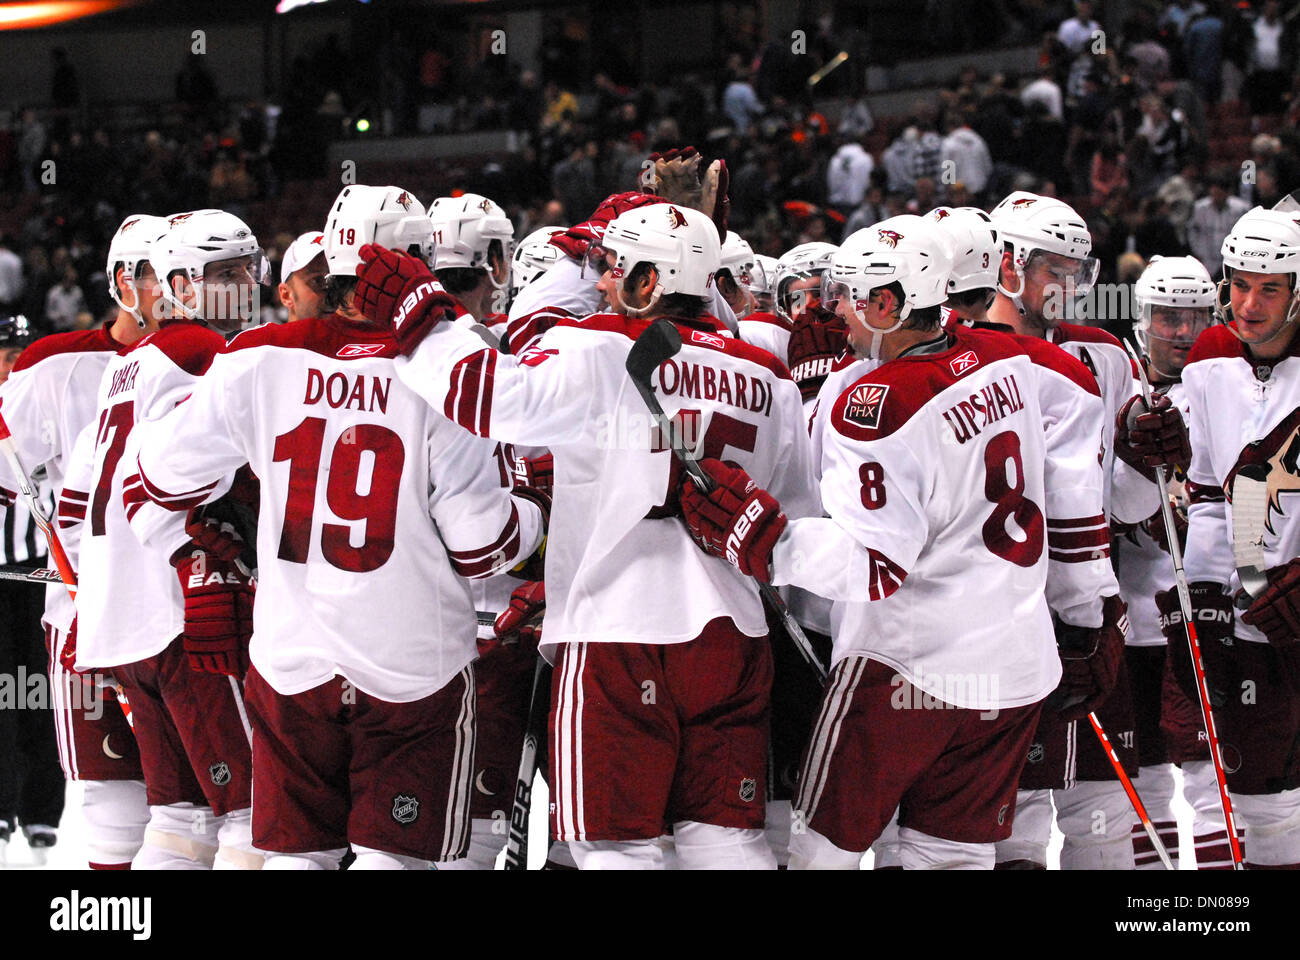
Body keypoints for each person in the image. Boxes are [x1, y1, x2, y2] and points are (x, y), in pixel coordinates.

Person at [355, 201, 818, 868]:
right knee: (727, 843)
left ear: (648, 282)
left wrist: (420, 312)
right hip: (734, 640)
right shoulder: (767, 376)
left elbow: (480, 395)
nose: (600, 283)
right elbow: (793, 527)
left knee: (614, 851)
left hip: (616, 638)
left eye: (611, 270)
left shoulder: (597, 348)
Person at [674, 215, 1124, 869]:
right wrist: (1090, 610)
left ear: (886, 303)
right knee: (951, 858)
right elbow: (1076, 452)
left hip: (904, 668)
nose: (836, 315)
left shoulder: (876, 399)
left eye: (848, 297)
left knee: (820, 854)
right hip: (1011, 669)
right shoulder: (1012, 360)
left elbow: (875, 566)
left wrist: (764, 540)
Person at [132, 185, 545, 870]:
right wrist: (535, 513)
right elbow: (485, 548)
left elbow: (160, 477)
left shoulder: (258, 355)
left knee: (298, 858)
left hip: (292, 655)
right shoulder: (450, 368)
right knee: (396, 859)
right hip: (411, 665)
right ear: (421, 266)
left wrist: (226, 508)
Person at [63, 209, 267, 870]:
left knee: (179, 820)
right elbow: (186, 475)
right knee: (252, 814)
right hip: (184, 611)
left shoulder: (125, 367)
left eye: (246, 268)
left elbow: (77, 501)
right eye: (223, 273)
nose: (241, 284)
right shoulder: (204, 353)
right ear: (180, 282)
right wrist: (203, 547)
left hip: (124, 620)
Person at [984, 191, 1171, 869]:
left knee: (1105, 816)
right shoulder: (961, 352)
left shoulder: (1105, 353)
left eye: (1078, 270)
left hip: (1092, 610)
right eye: (1053, 269)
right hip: (1000, 619)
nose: (1071, 286)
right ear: (1006, 264)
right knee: (1014, 820)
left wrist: (1143, 458)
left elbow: (1121, 504)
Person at [0, 215, 167, 871]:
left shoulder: (226, 361)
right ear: (126, 281)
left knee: (207, 811)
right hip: (81, 614)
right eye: (172, 275)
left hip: (190, 618)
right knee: (112, 808)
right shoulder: (53, 366)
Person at [1160, 207, 1300, 868]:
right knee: (1261, 797)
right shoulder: (1210, 358)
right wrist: (1206, 600)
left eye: (1269, 287)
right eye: (1240, 284)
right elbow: (1213, 498)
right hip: (1254, 626)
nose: (1248, 303)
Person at [1115, 255, 1231, 869]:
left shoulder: (1228, 390)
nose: (1182, 331)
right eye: (1168, 317)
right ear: (1143, 319)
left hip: (1204, 618)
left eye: (1195, 316)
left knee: (1214, 782)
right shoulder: (1116, 386)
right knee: (1142, 784)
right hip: (1130, 620)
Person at [0, 313, 63, 865]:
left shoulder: (44, 411)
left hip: (36, 576)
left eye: (17, 354)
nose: (10, 364)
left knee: (35, 694)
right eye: (3, 354)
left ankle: (43, 809)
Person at [276, 231, 326, 324]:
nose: (333, 292)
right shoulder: (263, 338)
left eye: (338, 281)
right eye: (317, 281)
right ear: (286, 295)